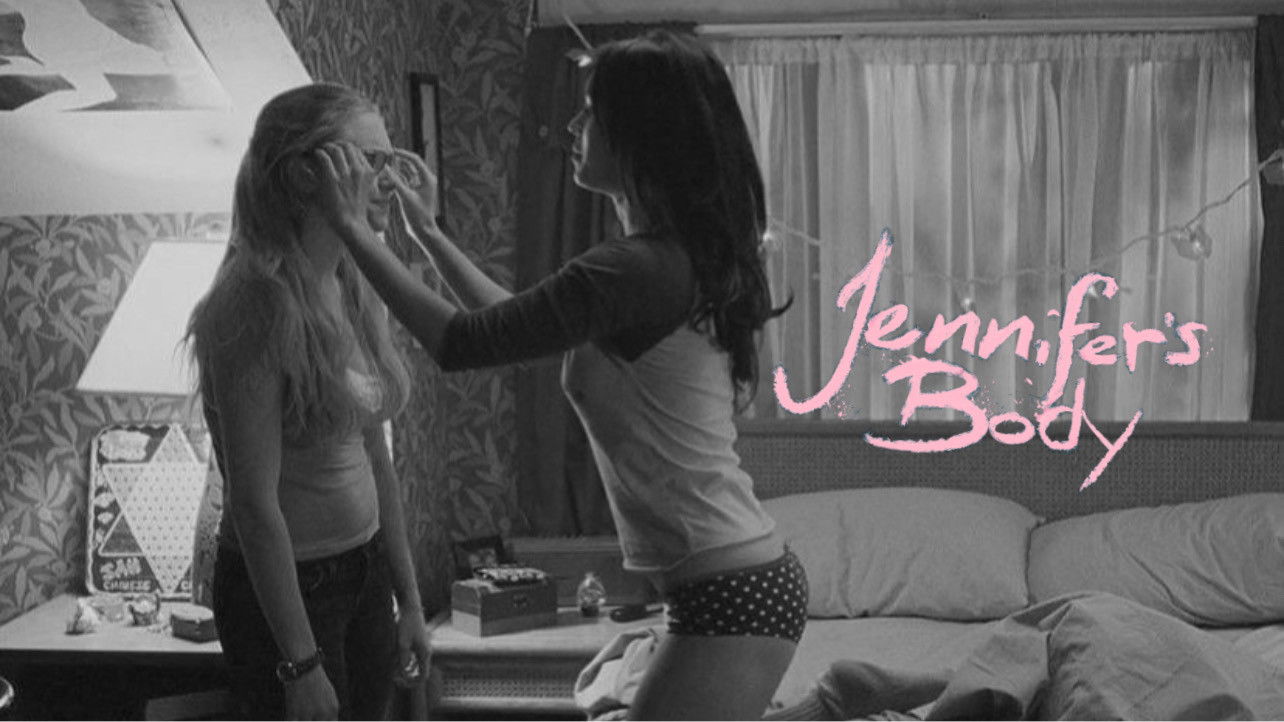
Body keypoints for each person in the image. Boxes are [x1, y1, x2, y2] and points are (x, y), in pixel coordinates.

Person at [316, 30, 807, 720]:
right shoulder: (661, 262)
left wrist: (351, 228)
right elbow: (512, 329)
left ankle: (831, 702)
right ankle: (832, 700)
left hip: (729, 588)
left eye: (591, 113)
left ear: (640, 135)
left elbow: (458, 343)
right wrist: (426, 233)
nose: (572, 127)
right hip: (732, 579)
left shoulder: (635, 269)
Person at [185, 82, 430, 720]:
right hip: (289, 598)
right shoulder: (252, 305)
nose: (388, 180)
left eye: (388, 159)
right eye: (369, 161)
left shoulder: (351, 278)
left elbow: (377, 459)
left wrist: (408, 600)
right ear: (303, 175)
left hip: (364, 571)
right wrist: (299, 662)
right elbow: (253, 501)